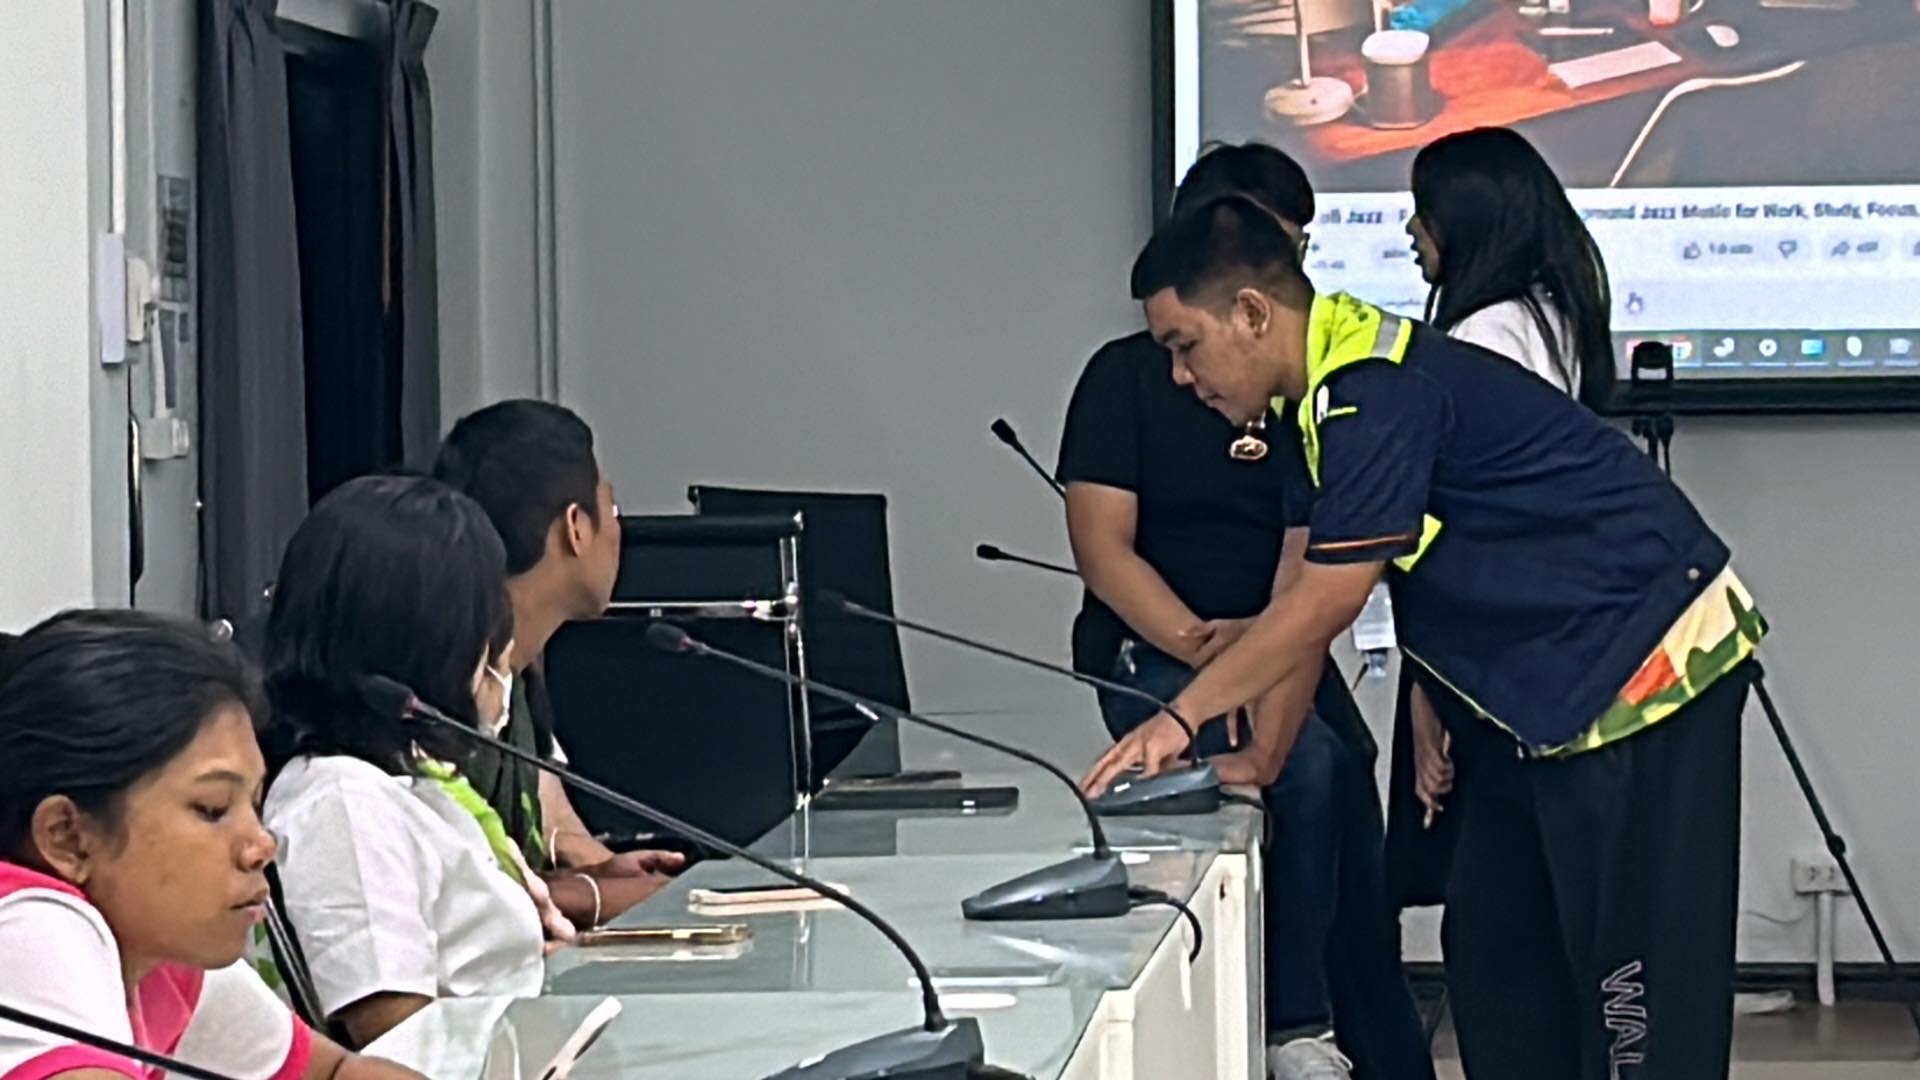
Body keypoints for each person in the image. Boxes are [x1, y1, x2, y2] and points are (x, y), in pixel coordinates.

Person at [1084, 197, 1765, 1080]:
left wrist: (1178, 719)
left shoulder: (1374, 388)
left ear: (1251, 313)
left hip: (1642, 674)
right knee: (1495, 959)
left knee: (1630, 998)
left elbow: (1327, 599)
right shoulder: (1316, 404)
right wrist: (1263, 755)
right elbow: (1302, 593)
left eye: (1184, 346)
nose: (1180, 376)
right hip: (1534, 708)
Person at [1057, 141, 1430, 1080]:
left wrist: (1263, 642)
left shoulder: (1309, 388)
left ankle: (1374, 1038)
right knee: (1298, 770)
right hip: (1165, 643)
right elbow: (1104, 548)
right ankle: (1288, 1029)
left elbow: (1312, 557)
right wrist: (1203, 648)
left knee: (1344, 779)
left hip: (1277, 633)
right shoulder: (1128, 377)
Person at [259, 475, 655, 1047]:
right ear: (428, 642)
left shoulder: (405, 782)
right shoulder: (342, 802)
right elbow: (398, 1038)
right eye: (481, 628)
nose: (498, 653)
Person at [0, 608, 418, 1079]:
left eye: (254, 804)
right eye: (213, 809)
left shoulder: (156, 949)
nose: (261, 846)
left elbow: (334, 1073)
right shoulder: (29, 925)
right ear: (68, 838)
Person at [1399, 125, 1617, 860]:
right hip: (1541, 639)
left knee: (1493, 870)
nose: (1411, 230)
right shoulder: (1548, 316)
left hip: (1493, 642)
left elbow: (1465, 517)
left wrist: (1426, 692)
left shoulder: (1485, 336)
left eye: (1424, 212)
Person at [433, 399, 683, 888]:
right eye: (611, 508)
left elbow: (558, 830)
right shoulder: (441, 680)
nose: (619, 530)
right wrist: (594, 896)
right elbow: (456, 889)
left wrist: (614, 877)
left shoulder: (519, 669)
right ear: (576, 527)